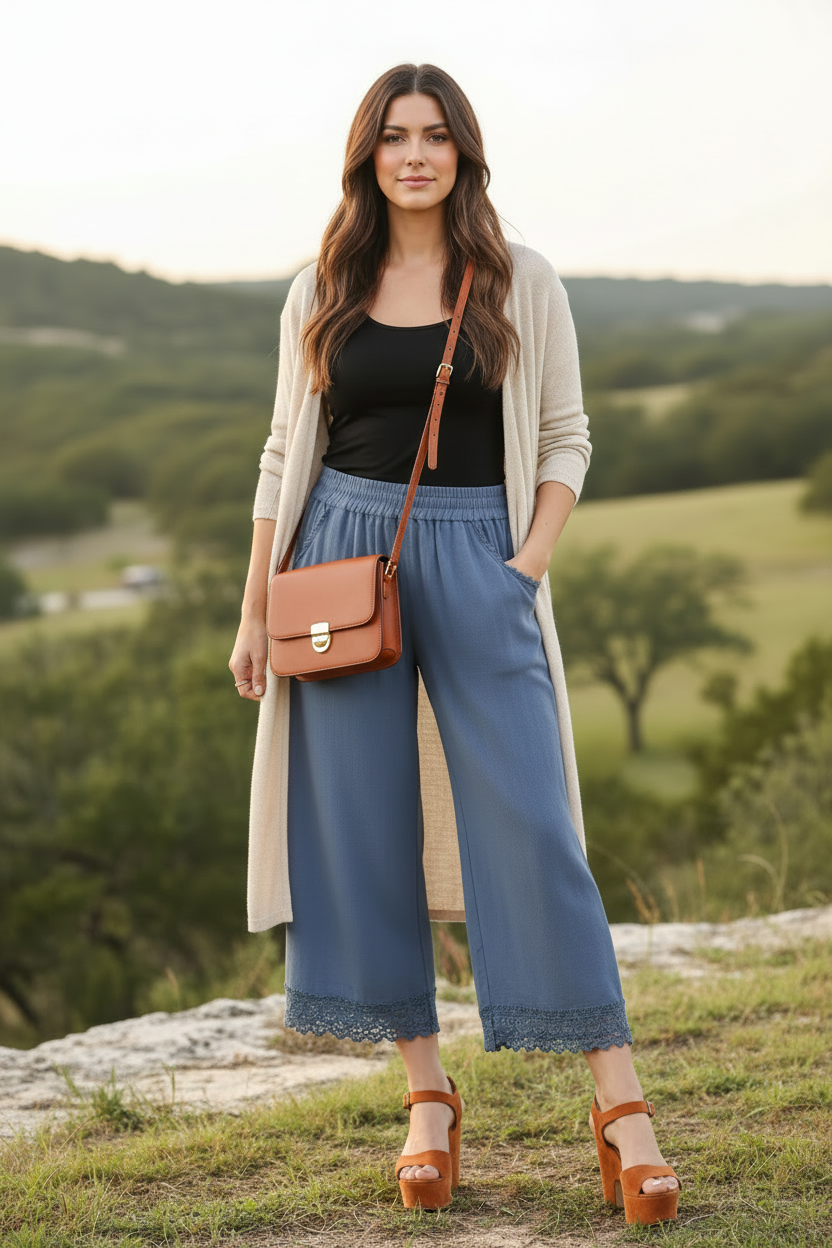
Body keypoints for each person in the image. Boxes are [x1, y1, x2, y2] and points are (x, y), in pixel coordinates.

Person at [229, 63, 680, 1224]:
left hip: (481, 552)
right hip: (335, 558)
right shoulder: (322, 284)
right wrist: (252, 611)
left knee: (530, 820)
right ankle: (427, 1098)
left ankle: (619, 1103)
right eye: (394, 137)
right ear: (366, 156)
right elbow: (286, 453)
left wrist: (525, 565)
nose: (414, 155)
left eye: (434, 136)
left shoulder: (519, 280)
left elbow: (567, 435)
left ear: (463, 153)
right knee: (362, 827)